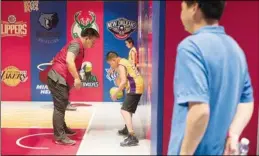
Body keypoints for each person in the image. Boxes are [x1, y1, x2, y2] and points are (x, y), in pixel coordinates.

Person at [168, 1, 254, 155]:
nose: (181, 15)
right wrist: (233, 135)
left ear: (194, 8)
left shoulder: (190, 48)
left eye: (182, 9)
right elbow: (247, 101)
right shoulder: (235, 49)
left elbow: (200, 110)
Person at [47, 27, 99, 145]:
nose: (94, 44)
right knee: (59, 108)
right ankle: (59, 137)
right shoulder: (76, 45)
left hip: (61, 79)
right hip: (57, 78)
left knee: (62, 104)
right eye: (93, 41)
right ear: (87, 38)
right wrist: (76, 78)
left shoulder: (78, 45)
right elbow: (69, 61)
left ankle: (62, 128)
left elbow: (62, 56)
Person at [106, 51, 144, 147]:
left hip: (135, 87)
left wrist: (115, 93)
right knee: (128, 110)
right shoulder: (123, 61)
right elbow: (120, 78)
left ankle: (132, 136)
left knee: (124, 110)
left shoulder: (121, 65)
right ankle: (127, 128)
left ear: (114, 60)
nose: (111, 66)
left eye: (111, 63)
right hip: (137, 85)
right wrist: (112, 68)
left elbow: (122, 82)